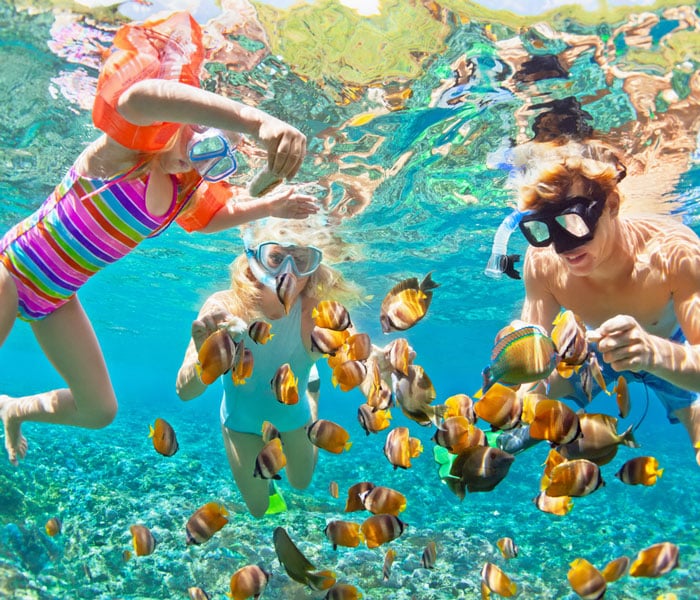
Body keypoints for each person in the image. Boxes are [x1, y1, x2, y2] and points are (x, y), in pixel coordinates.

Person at [0, 12, 318, 465]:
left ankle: (13, 409)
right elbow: (141, 96)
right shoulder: (126, 152)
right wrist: (256, 123)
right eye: (196, 139)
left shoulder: (182, 191)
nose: (193, 162)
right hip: (10, 270)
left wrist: (268, 206)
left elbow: (214, 217)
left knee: (99, 410)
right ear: (181, 118)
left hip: (56, 298)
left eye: (212, 162)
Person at [491, 138, 700, 464]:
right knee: (507, 429)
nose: (563, 247)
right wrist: (515, 397)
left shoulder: (674, 251)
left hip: (668, 350)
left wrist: (650, 353)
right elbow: (536, 359)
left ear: (612, 204)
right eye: (544, 228)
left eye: (574, 222)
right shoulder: (543, 260)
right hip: (588, 351)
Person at [175, 219, 363, 517]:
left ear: (312, 269)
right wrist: (204, 360)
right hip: (241, 423)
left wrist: (379, 368)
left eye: (301, 260)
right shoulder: (225, 307)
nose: (287, 272)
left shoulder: (316, 311)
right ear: (252, 257)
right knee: (260, 508)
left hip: (294, 413)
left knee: (301, 483)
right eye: (275, 258)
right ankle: (303, 390)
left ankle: (311, 396)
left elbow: (358, 356)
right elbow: (184, 392)